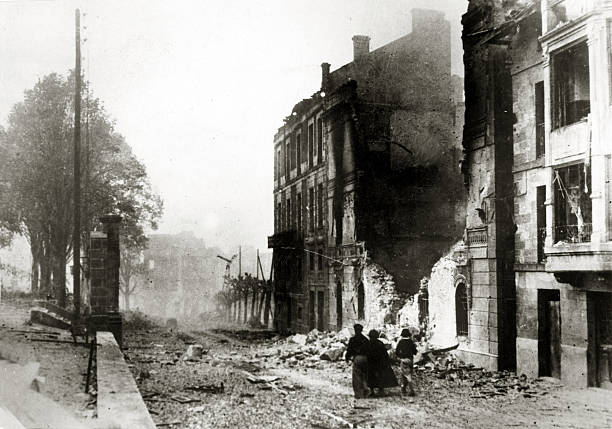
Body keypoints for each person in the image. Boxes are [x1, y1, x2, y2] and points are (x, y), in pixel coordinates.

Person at [367, 329, 398, 396]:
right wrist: (387, 362)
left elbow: (366, 353)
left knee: (371, 376)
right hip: (380, 362)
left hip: (371, 362)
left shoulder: (368, 343)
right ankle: (381, 389)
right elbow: (384, 354)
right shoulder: (380, 343)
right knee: (380, 376)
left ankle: (372, 391)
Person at [345, 324, 370, 398]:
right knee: (364, 374)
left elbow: (349, 350)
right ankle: (365, 387)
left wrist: (347, 358)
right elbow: (369, 349)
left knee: (356, 376)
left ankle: (358, 393)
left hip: (357, 358)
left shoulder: (353, 339)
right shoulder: (365, 339)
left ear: (355, 330)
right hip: (365, 358)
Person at [395, 328, 418, 396]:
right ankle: (404, 389)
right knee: (408, 374)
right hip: (410, 360)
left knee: (405, 375)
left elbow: (397, 352)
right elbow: (415, 352)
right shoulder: (411, 342)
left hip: (403, 360)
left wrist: (400, 357)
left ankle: (409, 390)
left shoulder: (401, 342)